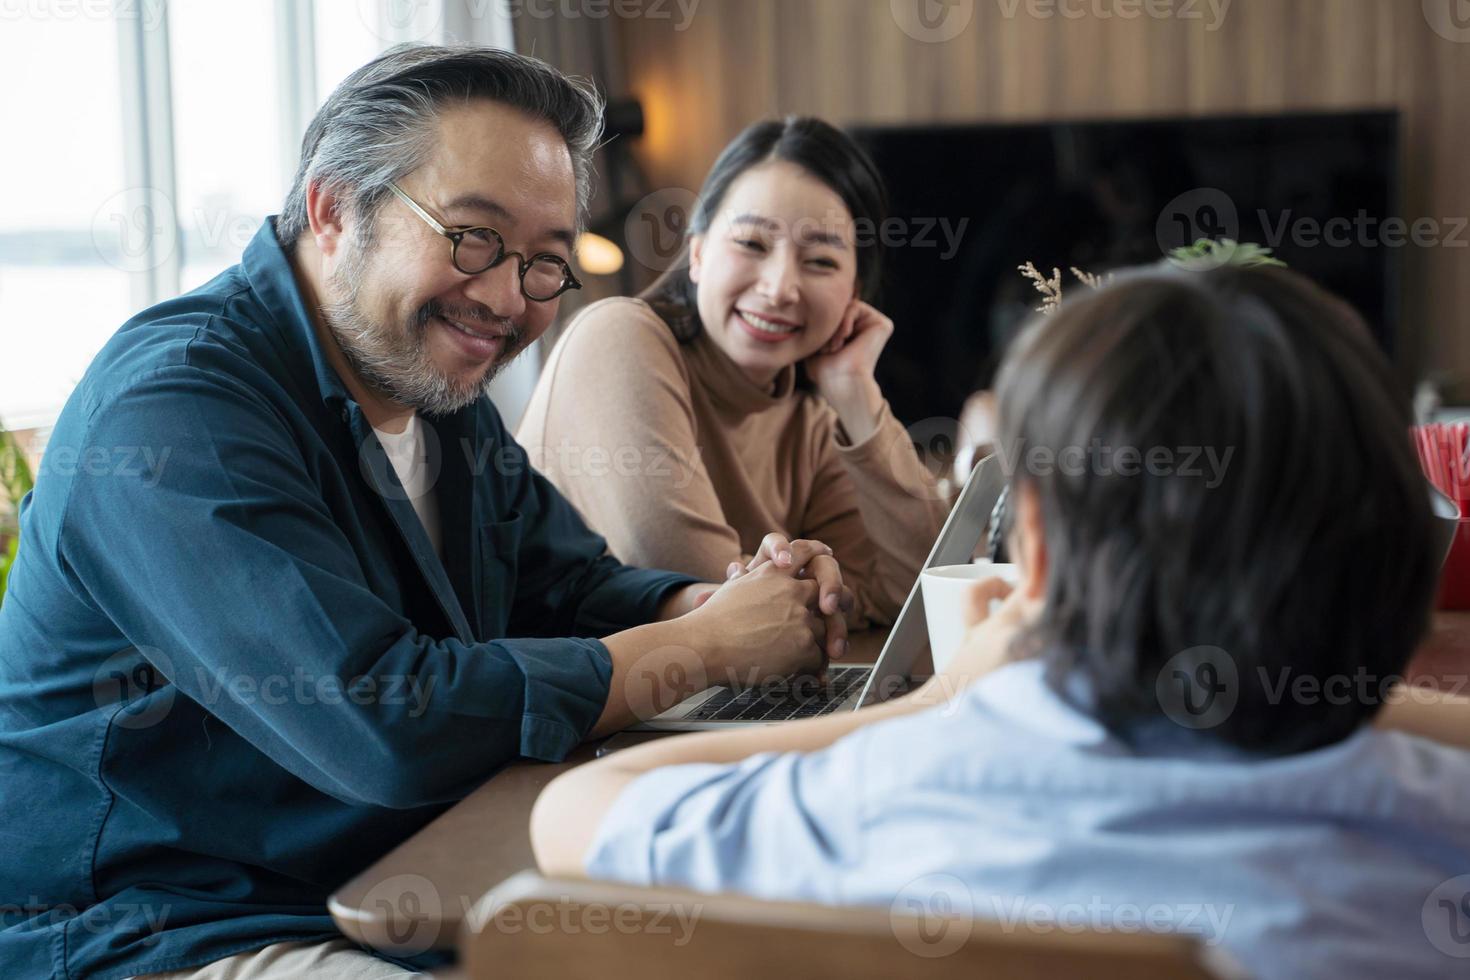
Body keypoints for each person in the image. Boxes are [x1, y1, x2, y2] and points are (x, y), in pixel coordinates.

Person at [0, 46, 853, 980]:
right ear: (333, 208)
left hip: (407, 869)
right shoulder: (173, 412)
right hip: (159, 926)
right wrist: (714, 650)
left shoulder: (436, 392)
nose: (502, 298)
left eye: (543, 265)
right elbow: (383, 718)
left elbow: (569, 586)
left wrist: (722, 606)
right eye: (474, 238)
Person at [532, 263, 1470, 979]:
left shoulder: (872, 804)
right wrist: (1330, 691)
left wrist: (937, 700)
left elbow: (572, 814)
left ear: (1040, 554)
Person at [517, 117, 951, 628]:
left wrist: (856, 393)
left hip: (702, 701)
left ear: (854, 294)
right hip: (578, 701)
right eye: (752, 244)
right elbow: (711, 603)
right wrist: (821, 596)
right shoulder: (618, 338)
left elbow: (928, 593)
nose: (780, 287)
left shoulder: (807, 418)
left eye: (820, 261)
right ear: (697, 253)